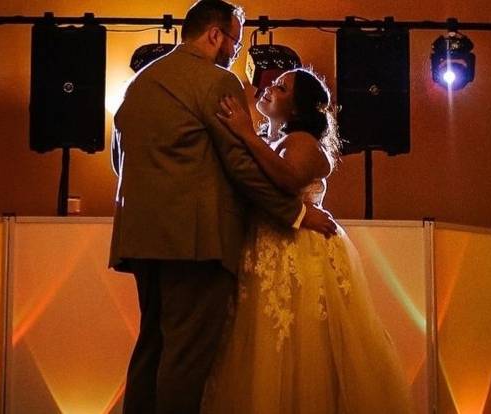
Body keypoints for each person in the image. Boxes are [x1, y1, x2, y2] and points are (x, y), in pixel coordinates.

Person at [109, 1, 337, 413]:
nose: (236, 52)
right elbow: (242, 170)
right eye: (235, 41)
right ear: (215, 35)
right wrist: (297, 214)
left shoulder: (141, 82)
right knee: (186, 359)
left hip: (140, 236)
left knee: (150, 349)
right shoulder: (217, 82)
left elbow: (118, 157)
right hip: (197, 243)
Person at [201, 68, 415, 413]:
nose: (269, 87)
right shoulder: (273, 139)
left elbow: (288, 178)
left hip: (297, 251)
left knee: (298, 346)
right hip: (266, 245)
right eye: (273, 83)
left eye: (281, 87)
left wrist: (245, 135)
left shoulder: (301, 141)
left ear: (297, 110)